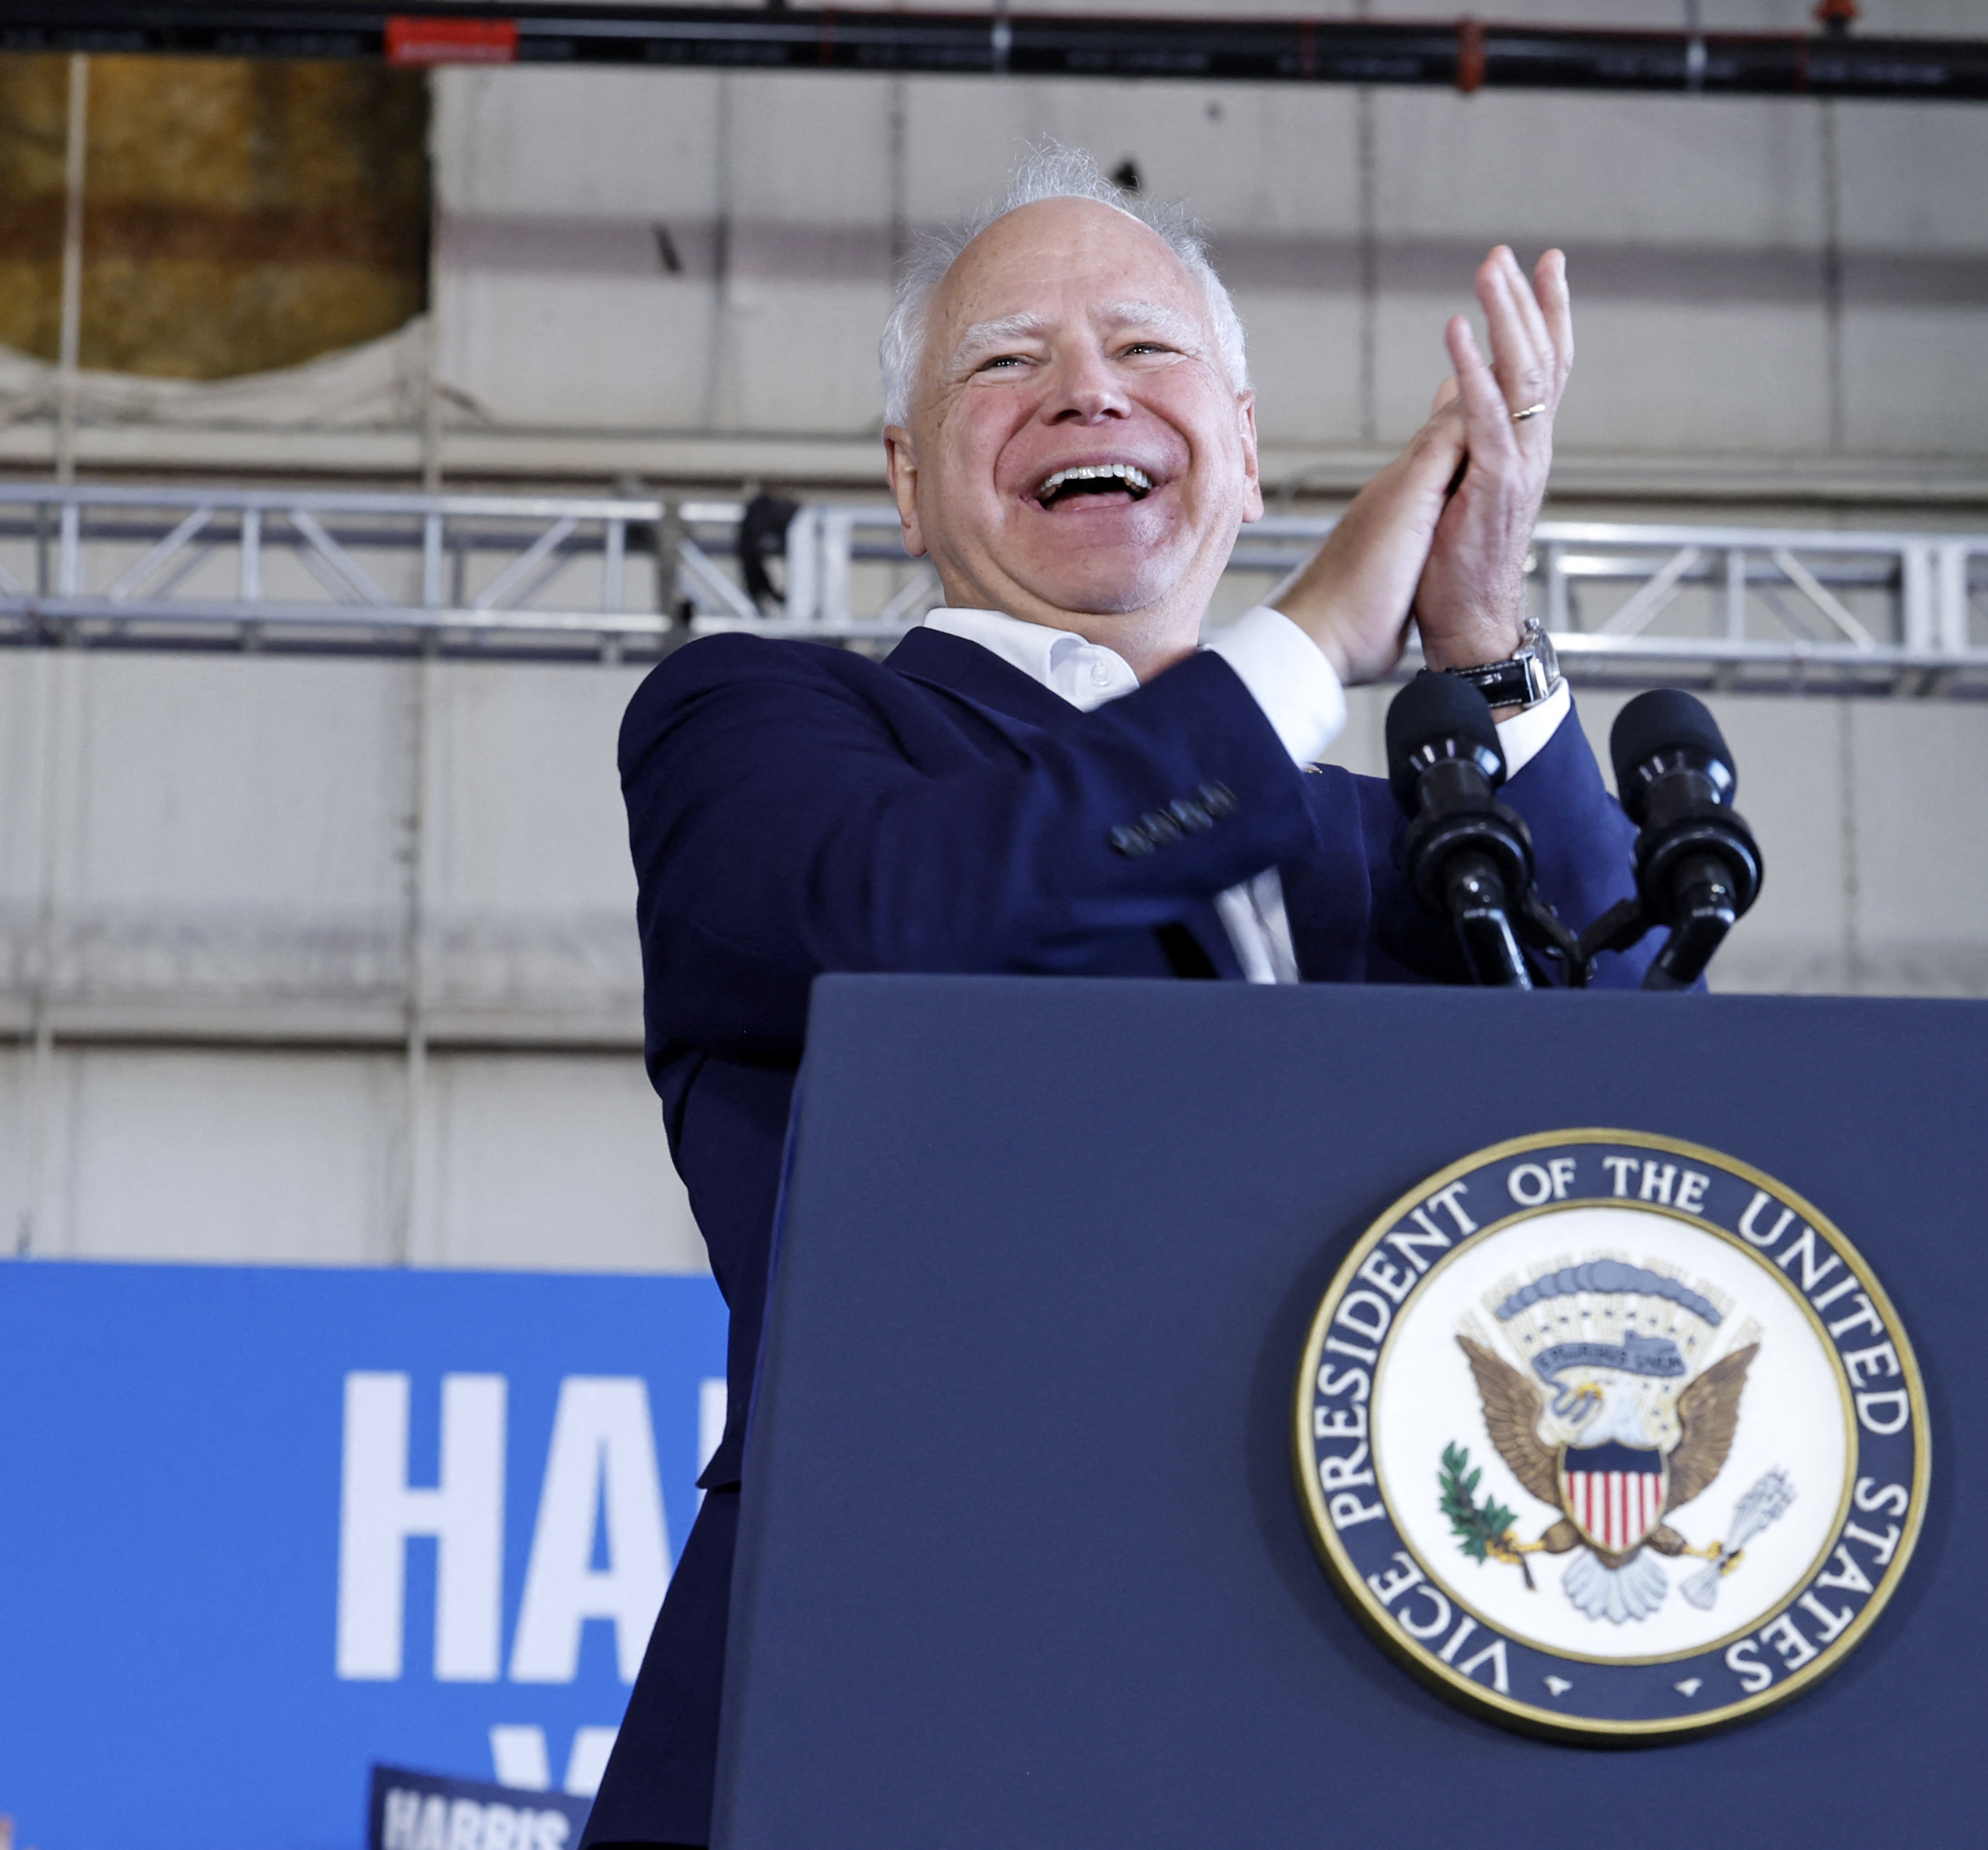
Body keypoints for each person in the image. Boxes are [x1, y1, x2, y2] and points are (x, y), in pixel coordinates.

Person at [584, 145, 1660, 1845]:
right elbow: (915, 910)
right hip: (892, 1685)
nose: (1085, 386)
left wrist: (1486, 646)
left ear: (1239, 443)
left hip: (1350, 1700)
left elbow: (1645, 1096)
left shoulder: (1390, 845)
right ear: (906, 481)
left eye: (1145, 351)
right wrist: (1311, 638)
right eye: (1004, 361)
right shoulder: (765, 730)